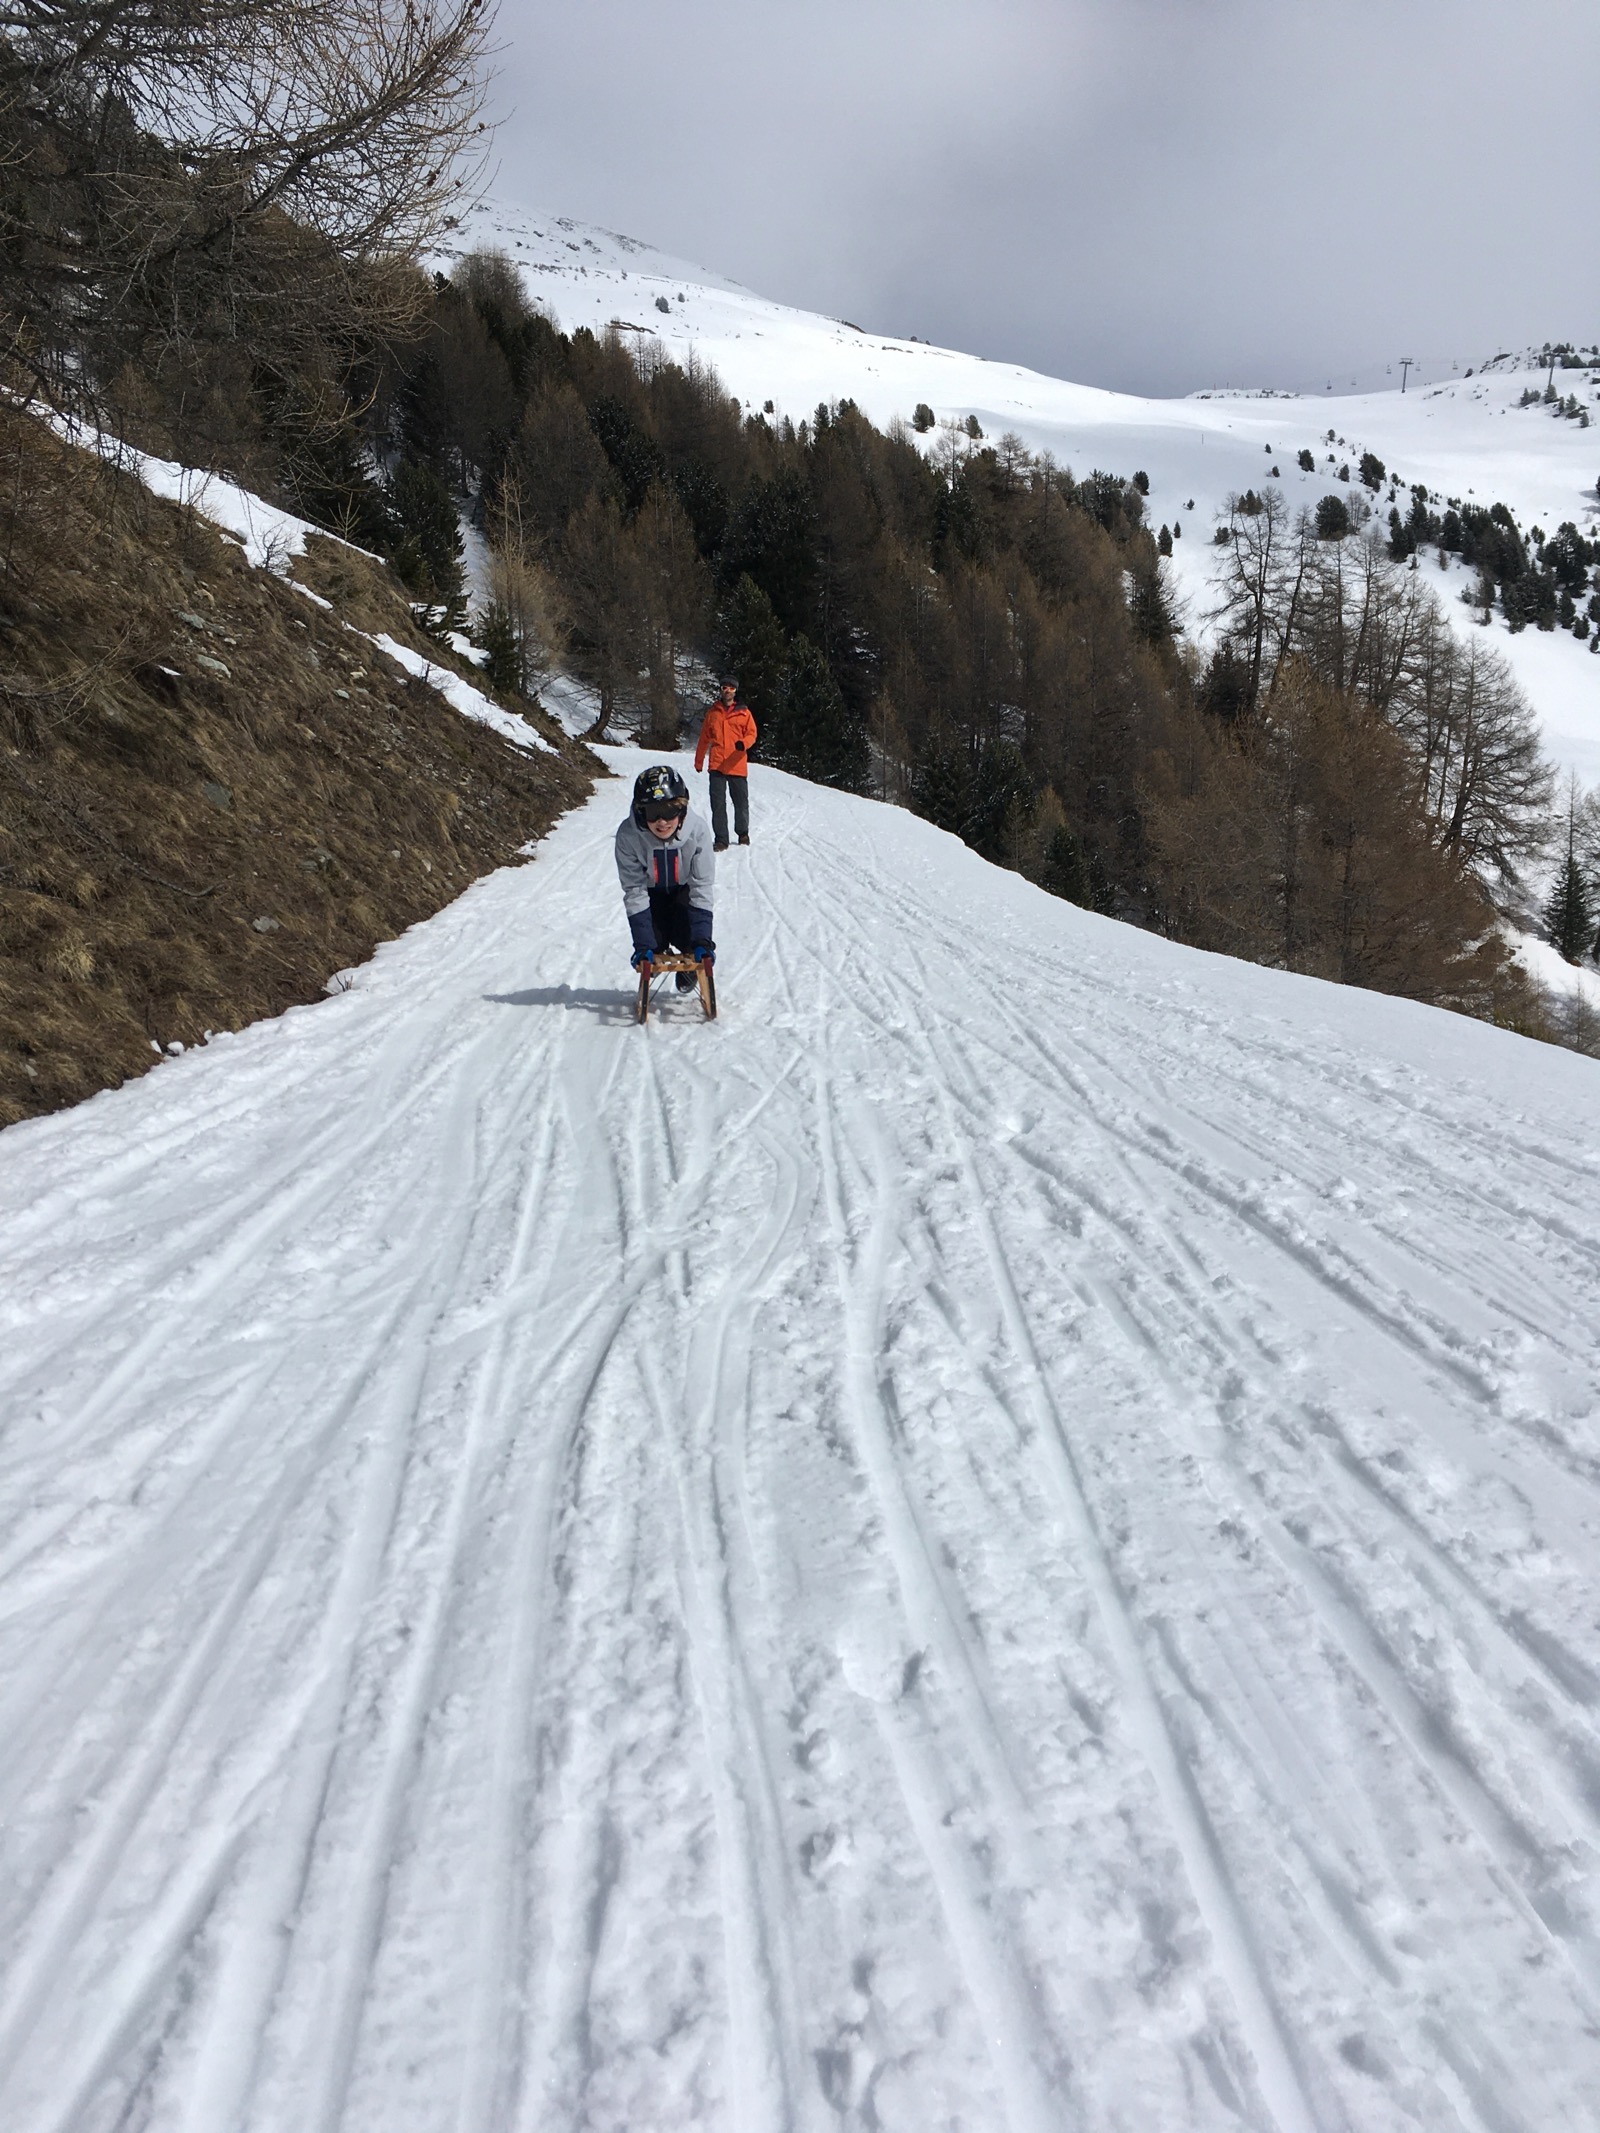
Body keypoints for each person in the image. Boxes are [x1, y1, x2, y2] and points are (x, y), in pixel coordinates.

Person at [615, 764, 715, 992]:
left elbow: (701, 885)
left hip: (684, 891)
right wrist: (643, 945)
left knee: (690, 938)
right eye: (653, 813)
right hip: (651, 894)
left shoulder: (697, 831)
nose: (662, 821)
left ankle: (689, 967)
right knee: (653, 945)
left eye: (669, 811)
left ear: (682, 808)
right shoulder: (628, 836)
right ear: (641, 813)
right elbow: (634, 889)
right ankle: (658, 948)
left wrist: (702, 939)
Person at [694, 676, 758, 852]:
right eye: (724, 688)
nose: (727, 691)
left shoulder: (744, 713)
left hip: (737, 764)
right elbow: (704, 738)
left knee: (741, 802)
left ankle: (743, 833)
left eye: (731, 688)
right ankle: (721, 839)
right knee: (718, 804)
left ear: (735, 691)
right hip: (717, 765)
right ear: (721, 690)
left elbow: (752, 734)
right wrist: (699, 761)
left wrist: (744, 743)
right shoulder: (713, 713)